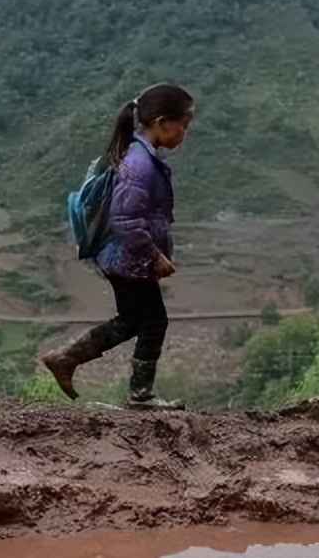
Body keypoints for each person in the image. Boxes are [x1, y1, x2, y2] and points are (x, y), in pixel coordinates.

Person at [43, 83, 194, 410]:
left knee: (131, 320)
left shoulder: (141, 155)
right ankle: (140, 396)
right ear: (161, 121)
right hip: (129, 260)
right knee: (154, 321)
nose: (184, 133)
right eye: (182, 125)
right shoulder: (139, 164)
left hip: (123, 259)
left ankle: (66, 358)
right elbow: (125, 219)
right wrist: (154, 255)